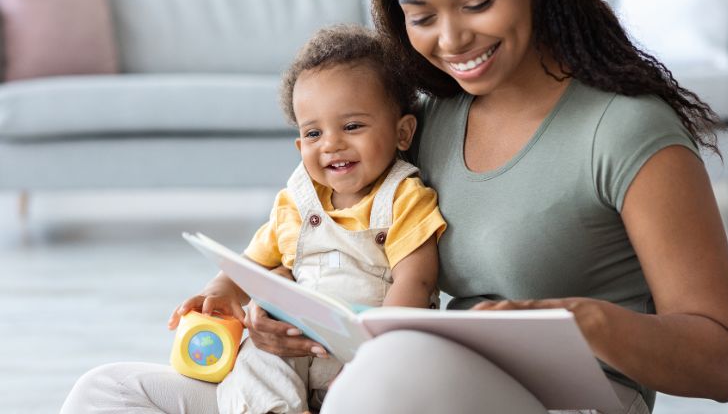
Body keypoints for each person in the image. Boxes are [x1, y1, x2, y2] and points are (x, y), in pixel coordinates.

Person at [315, 0, 728, 413]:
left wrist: (578, 320)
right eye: (423, 17)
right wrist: (297, 321)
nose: (450, 40)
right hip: (437, 384)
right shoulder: (426, 122)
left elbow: (723, 362)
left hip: (575, 399)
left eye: (477, 3)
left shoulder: (626, 131)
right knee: (185, 392)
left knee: (384, 379)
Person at [60, 25, 446, 414]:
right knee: (254, 358)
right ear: (300, 145)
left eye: (352, 126)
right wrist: (220, 293)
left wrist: (370, 355)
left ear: (402, 132)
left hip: (367, 357)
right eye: (313, 133)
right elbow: (251, 266)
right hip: (293, 357)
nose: (331, 144)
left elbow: (416, 280)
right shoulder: (296, 203)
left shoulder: (404, 197)